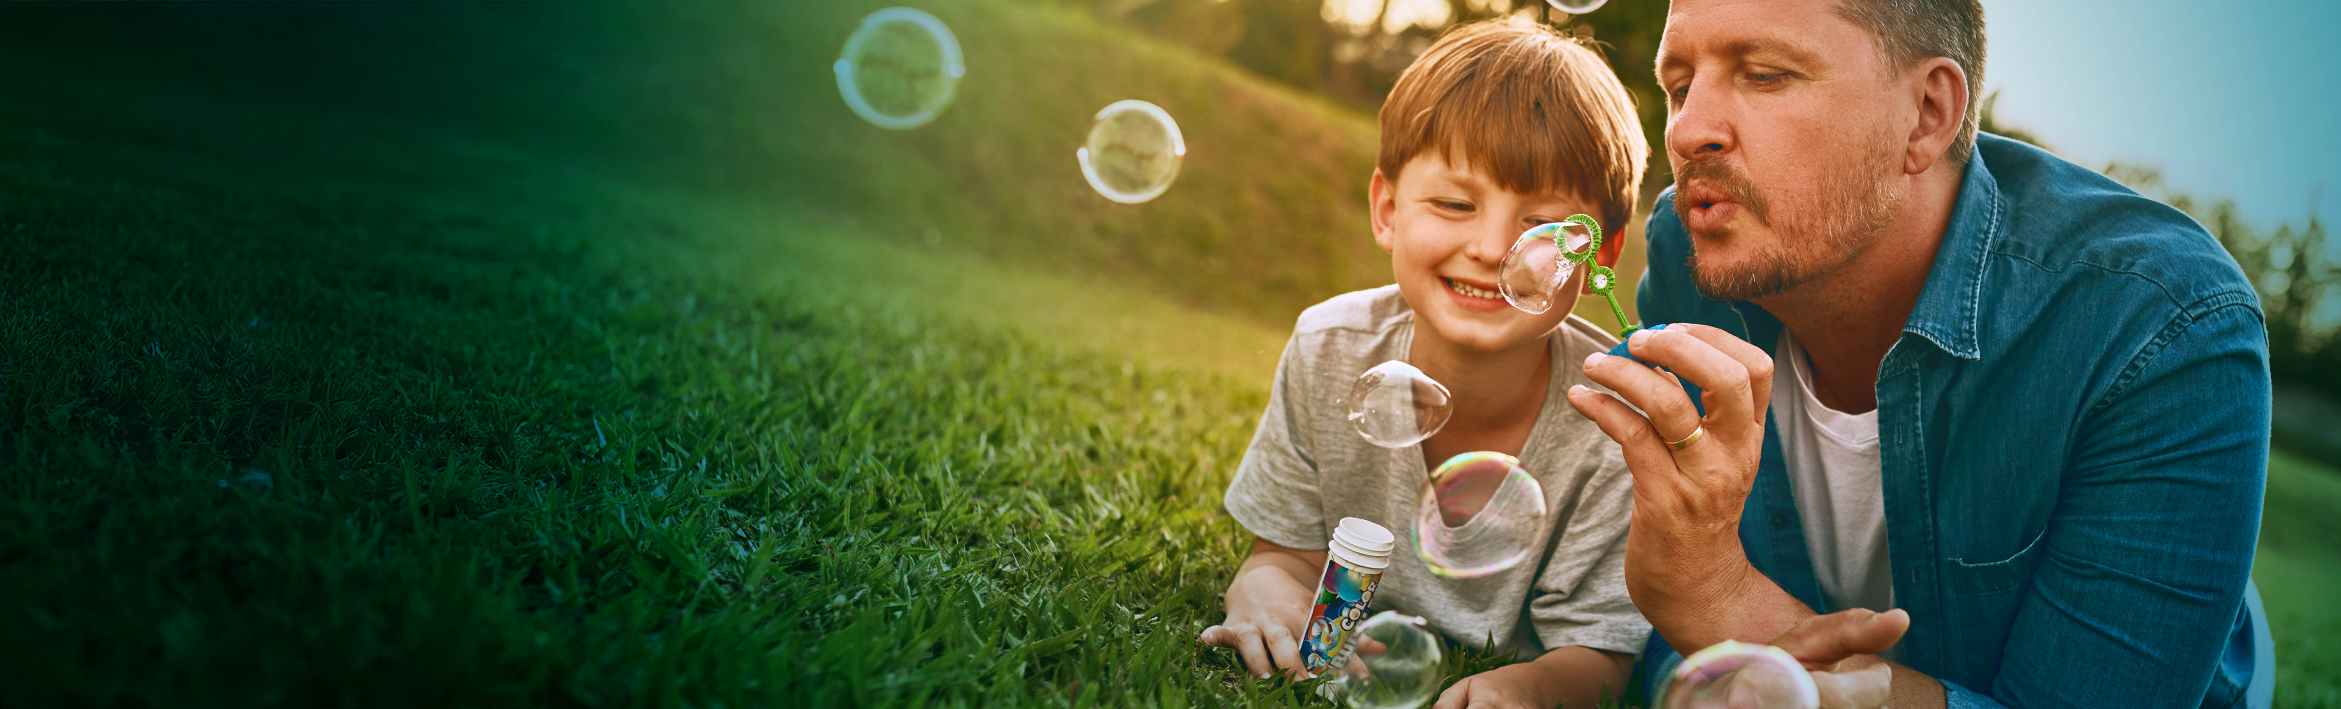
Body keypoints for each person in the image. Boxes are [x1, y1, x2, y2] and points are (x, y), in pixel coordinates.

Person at [1563, 0, 2271, 707]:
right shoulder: (1686, 253)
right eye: (1679, 86)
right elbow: (1673, 628)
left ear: (1927, 113)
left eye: (1764, 75)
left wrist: (1720, 601)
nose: (1686, 130)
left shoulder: (2159, 325)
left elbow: (1697, 599)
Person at [1196, 19, 1654, 709]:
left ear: (1602, 254)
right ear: (1386, 208)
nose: (1493, 246)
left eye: (1541, 227)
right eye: (1453, 203)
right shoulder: (1329, 347)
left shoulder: (1615, 417)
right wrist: (1262, 593)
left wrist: (1526, 685)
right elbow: (1282, 555)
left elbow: (1597, 655)